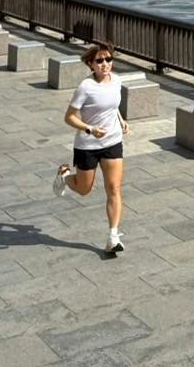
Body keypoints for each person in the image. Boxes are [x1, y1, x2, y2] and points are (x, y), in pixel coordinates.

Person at [51, 42, 130, 253]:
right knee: (84, 189)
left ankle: (113, 237)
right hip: (88, 145)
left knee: (114, 188)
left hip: (112, 142)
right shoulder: (85, 87)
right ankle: (65, 176)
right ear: (90, 64)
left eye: (108, 59)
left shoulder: (117, 81)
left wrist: (120, 119)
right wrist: (89, 129)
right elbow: (69, 118)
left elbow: (112, 106)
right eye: (99, 61)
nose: (105, 64)